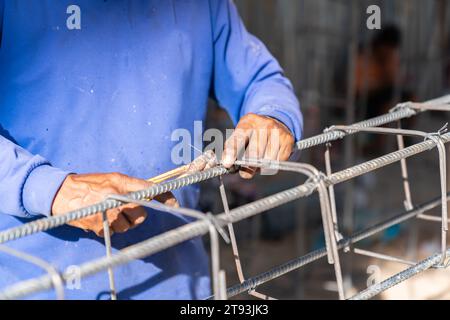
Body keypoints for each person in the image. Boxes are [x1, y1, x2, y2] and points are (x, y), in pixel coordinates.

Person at [0, 0, 302, 299]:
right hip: (36, 283)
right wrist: (52, 190)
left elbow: (259, 80)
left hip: (177, 282)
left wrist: (274, 119)